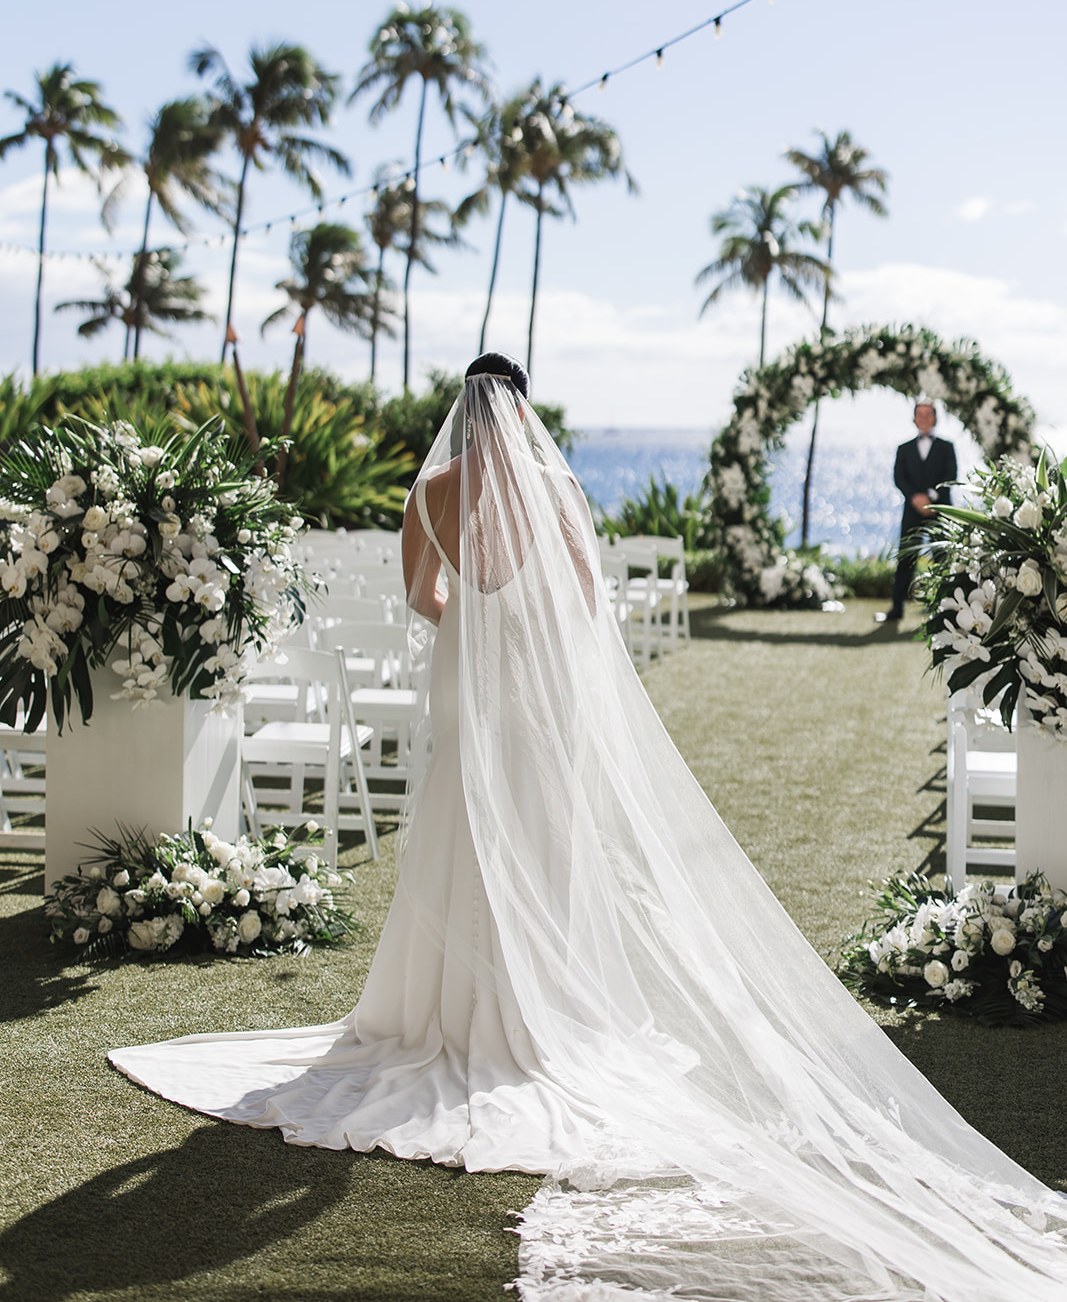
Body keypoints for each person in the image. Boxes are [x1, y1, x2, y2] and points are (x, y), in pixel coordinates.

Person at [109, 354, 1067, 1302]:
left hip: (463, 671)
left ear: (460, 412)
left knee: (454, 823)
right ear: (521, 412)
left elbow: (420, 598)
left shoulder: (432, 488)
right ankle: (535, 1007)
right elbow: (583, 599)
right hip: (530, 676)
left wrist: (468, 619)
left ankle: (436, 1010)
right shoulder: (554, 489)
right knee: (537, 826)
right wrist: (518, 625)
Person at [880, 400, 957, 622]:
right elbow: (899, 478)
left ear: (935, 418)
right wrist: (915, 498)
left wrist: (930, 498)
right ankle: (897, 608)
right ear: (914, 419)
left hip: (940, 511)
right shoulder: (903, 449)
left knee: (942, 559)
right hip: (912, 511)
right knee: (906, 558)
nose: (923, 419)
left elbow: (950, 475)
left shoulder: (946, 447)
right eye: (919, 414)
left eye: (927, 414)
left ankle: (947, 609)